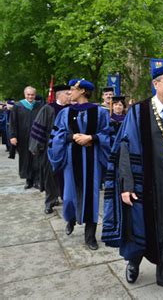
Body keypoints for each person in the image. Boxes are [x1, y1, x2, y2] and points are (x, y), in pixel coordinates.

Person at [102, 66, 163, 295]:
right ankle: (133, 262)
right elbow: (124, 147)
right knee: (139, 226)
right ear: (156, 84)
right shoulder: (138, 112)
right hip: (145, 183)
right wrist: (127, 185)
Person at [48, 79, 111, 250]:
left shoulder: (100, 112)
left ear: (82, 91)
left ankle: (90, 236)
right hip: (71, 160)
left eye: (72, 89)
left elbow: (108, 134)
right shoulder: (65, 113)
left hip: (93, 160)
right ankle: (71, 219)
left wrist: (92, 138)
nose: (69, 92)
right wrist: (72, 137)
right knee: (69, 197)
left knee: (91, 198)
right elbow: (56, 135)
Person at [29, 85, 71, 214]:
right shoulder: (48, 109)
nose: (70, 96)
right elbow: (38, 128)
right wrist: (35, 146)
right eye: (68, 94)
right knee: (50, 177)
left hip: (67, 149)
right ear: (60, 95)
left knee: (66, 176)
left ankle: (66, 199)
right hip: (50, 148)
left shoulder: (72, 109)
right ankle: (50, 201)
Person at [9, 86, 43, 189]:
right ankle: (29, 180)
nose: (30, 96)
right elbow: (13, 122)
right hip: (22, 137)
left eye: (32, 94)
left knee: (37, 158)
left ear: (35, 95)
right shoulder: (18, 106)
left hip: (36, 137)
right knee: (25, 158)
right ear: (25, 94)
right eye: (28, 94)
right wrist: (13, 136)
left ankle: (37, 180)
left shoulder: (39, 106)